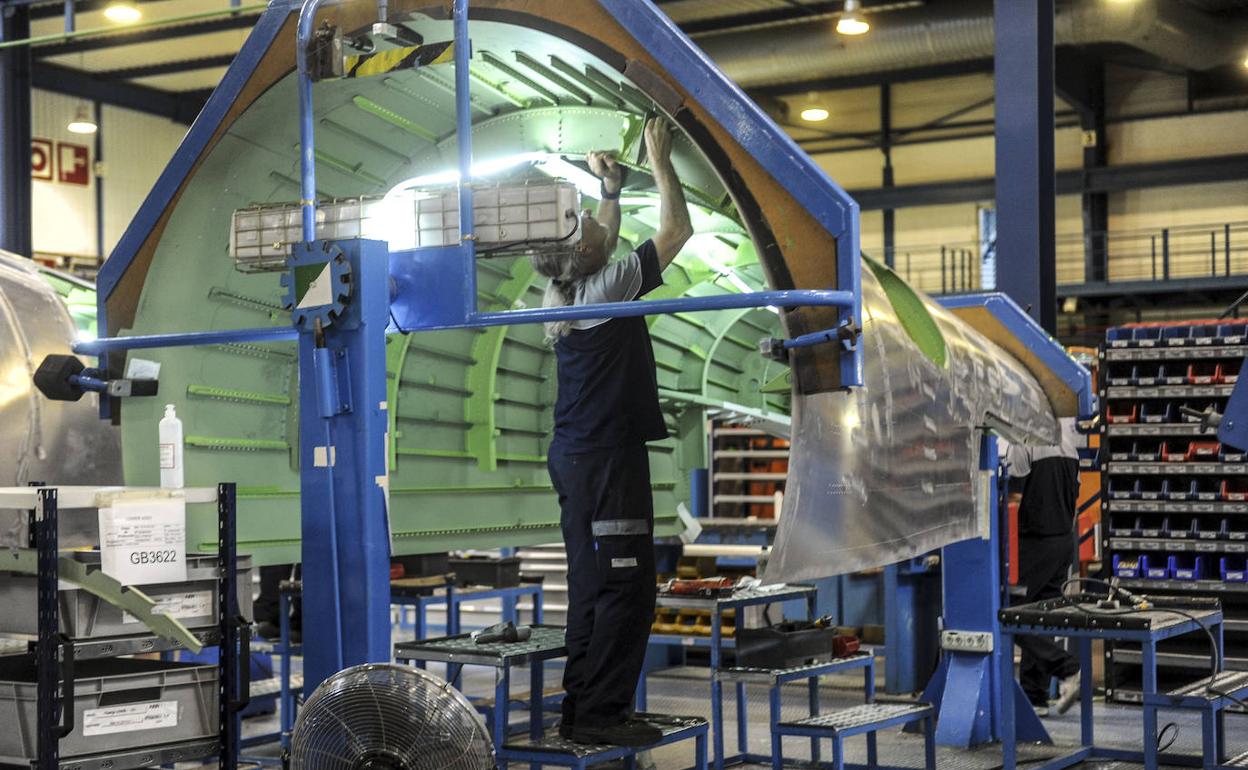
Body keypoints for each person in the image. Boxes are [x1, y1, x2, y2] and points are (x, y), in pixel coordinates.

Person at [532, 117, 693, 747]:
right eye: (593, 227)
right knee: (626, 587)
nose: (599, 225)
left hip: (578, 455)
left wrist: (611, 190)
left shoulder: (560, 288)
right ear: (591, 254)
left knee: (591, 586)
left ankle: (583, 711)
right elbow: (678, 231)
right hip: (604, 462)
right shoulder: (605, 289)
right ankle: (603, 716)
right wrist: (660, 159)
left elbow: (601, 241)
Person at [1003, 417, 1082, 717]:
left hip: (1033, 543)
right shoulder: (1069, 446)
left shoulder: (1023, 441)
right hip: (1063, 542)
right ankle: (1035, 697)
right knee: (1039, 616)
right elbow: (1073, 499)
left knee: (1010, 613)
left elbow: (1013, 500)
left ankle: (1067, 667)